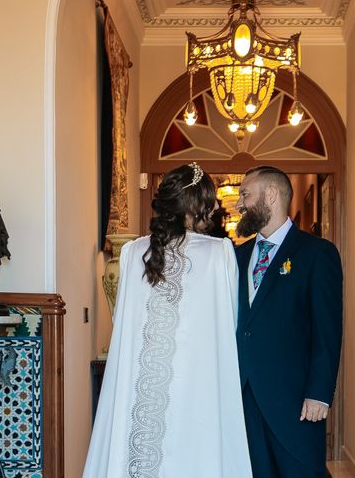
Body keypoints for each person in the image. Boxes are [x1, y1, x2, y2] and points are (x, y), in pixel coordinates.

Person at [83, 163, 252, 478]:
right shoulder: (221, 252)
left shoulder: (134, 252)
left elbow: (125, 325)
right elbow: (230, 323)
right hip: (199, 386)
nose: (216, 207)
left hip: (141, 385)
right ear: (195, 205)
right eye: (210, 200)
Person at [234, 166, 343, 478]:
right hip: (244, 396)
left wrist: (320, 392)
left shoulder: (317, 253)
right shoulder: (236, 257)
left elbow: (328, 329)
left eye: (245, 194)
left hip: (296, 400)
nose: (240, 204)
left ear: (270, 195)